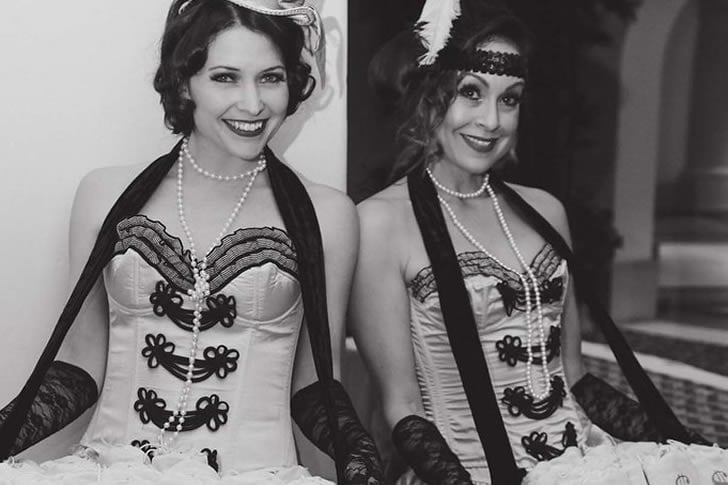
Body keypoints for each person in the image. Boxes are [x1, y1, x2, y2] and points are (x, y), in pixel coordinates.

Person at [0, 1, 383, 483]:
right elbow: (79, 362)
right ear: (184, 83)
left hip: (256, 473)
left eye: (270, 78)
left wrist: (361, 462)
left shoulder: (328, 215)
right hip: (110, 469)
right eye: (225, 78)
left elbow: (316, 386)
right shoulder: (103, 194)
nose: (253, 104)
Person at [350, 1, 715, 484]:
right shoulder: (380, 223)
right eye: (471, 93)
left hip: (582, 464)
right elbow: (402, 407)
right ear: (428, 95)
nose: (492, 120)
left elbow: (576, 378)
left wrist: (682, 443)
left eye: (510, 99)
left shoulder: (546, 211)